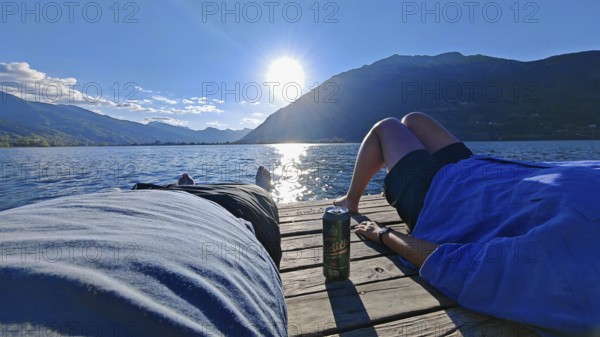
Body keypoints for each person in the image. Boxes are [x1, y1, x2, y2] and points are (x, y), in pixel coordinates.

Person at [334, 112, 600, 336]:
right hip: (476, 169)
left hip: (440, 197)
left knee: (386, 127)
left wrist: (383, 233)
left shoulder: (578, 275)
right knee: (414, 120)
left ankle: (351, 201)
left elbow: (460, 267)